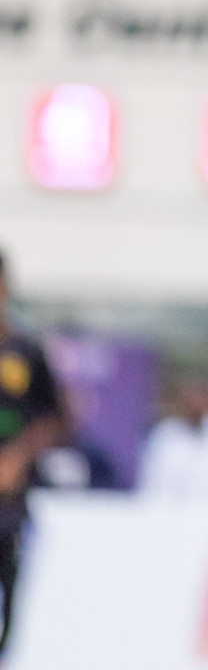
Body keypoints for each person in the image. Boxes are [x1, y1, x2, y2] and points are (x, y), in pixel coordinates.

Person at [0, 249, 64, 651]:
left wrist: (18, 456)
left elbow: (54, 417)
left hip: (10, 497)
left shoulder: (26, 351)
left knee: (11, 583)